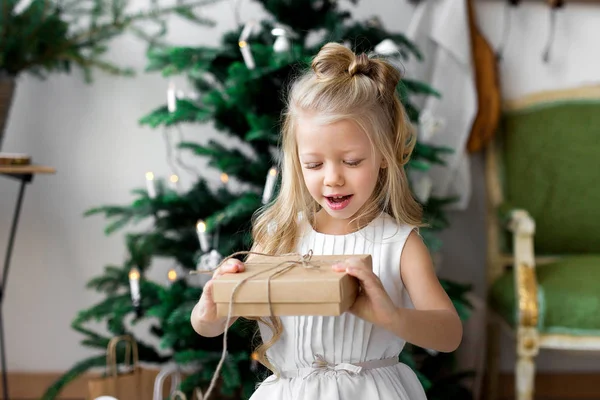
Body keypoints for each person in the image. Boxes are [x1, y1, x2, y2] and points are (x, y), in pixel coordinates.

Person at [191, 42, 463, 400]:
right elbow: (210, 326)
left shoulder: (399, 244)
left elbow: (449, 334)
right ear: (297, 161)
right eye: (315, 164)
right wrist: (211, 306)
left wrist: (391, 316)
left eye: (351, 161)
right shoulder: (279, 237)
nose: (332, 179)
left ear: (383, 156)